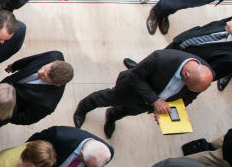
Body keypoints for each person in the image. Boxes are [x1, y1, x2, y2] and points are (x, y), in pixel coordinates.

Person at [74, 49, 214, 138]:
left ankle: (112, 116)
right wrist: (155, 101)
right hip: (130, 89)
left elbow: (189, 97)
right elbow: (134, 76)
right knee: (104, 98)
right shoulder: (161, 58)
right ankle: (83, 108)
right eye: (189, 86)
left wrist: (169, 110)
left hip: (147, 104)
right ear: (186, 74)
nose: (190, 90)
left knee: (128, 111)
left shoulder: (204, 77)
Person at [128, 14, 232, 91]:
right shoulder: (230, 23)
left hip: (184, 64)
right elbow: (213, 25)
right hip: (183, 42)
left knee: (161, 73)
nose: (228, 22)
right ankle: (140, 68)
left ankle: (147, 84)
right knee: (159, 57)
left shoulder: (231, 59)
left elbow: (206, 75)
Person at [0, 51, 74, 125]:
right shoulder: (55, 55)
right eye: (43, 68)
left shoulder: (47, 104)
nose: (39, 72)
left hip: (3, 108)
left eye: (44, 77)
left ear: (56, 84)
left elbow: (24, 119)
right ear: (53, 62)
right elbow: (32, 59)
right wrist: (15, 66)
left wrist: (3, 112)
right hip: (4, 85)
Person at [25, 126, 113, 167]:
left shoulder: (107, 153)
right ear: (81, 153)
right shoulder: (57, 135)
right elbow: (29, 147)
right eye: (86, 164)